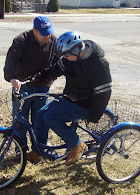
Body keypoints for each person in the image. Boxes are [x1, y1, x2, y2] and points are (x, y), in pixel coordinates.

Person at [27, 31, 112, 166]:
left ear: (77, 49)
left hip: (86, 105)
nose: (65, 58)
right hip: (70, 99)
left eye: (66, 55)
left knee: (51, 117)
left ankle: (77, 145)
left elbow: (104, 93)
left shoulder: (99, 64)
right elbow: (54, 70)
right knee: (41, 114)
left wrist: (94, 116)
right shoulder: (70, 59)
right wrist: (36, 77)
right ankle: (39, 152)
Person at [3, 16, 58, 146]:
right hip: (22, 86)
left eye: (49, 32)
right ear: (35, 31)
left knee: (40, 119)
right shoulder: (21, 40)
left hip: (43, 87)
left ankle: (40, 148)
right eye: (44, 34)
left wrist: (51, 79)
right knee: (19, 119)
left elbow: (59, 65)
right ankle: (20, 149)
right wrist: (13, 78)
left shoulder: (54, 42)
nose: (48, 36)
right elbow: (10, 61)